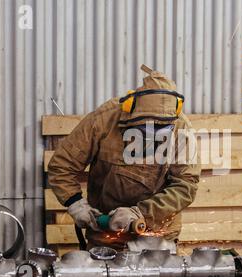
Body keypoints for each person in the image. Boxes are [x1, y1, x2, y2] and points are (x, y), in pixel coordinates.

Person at [48, 65, 201, 250]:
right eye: (145, 131)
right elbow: (61, 165)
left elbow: (186, 185)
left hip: (156, 237)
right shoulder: (105, 119)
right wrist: (76, 204)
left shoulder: (181, 128)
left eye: (159, 133)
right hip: (106, 235)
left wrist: (141, 213)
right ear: (131, 111)